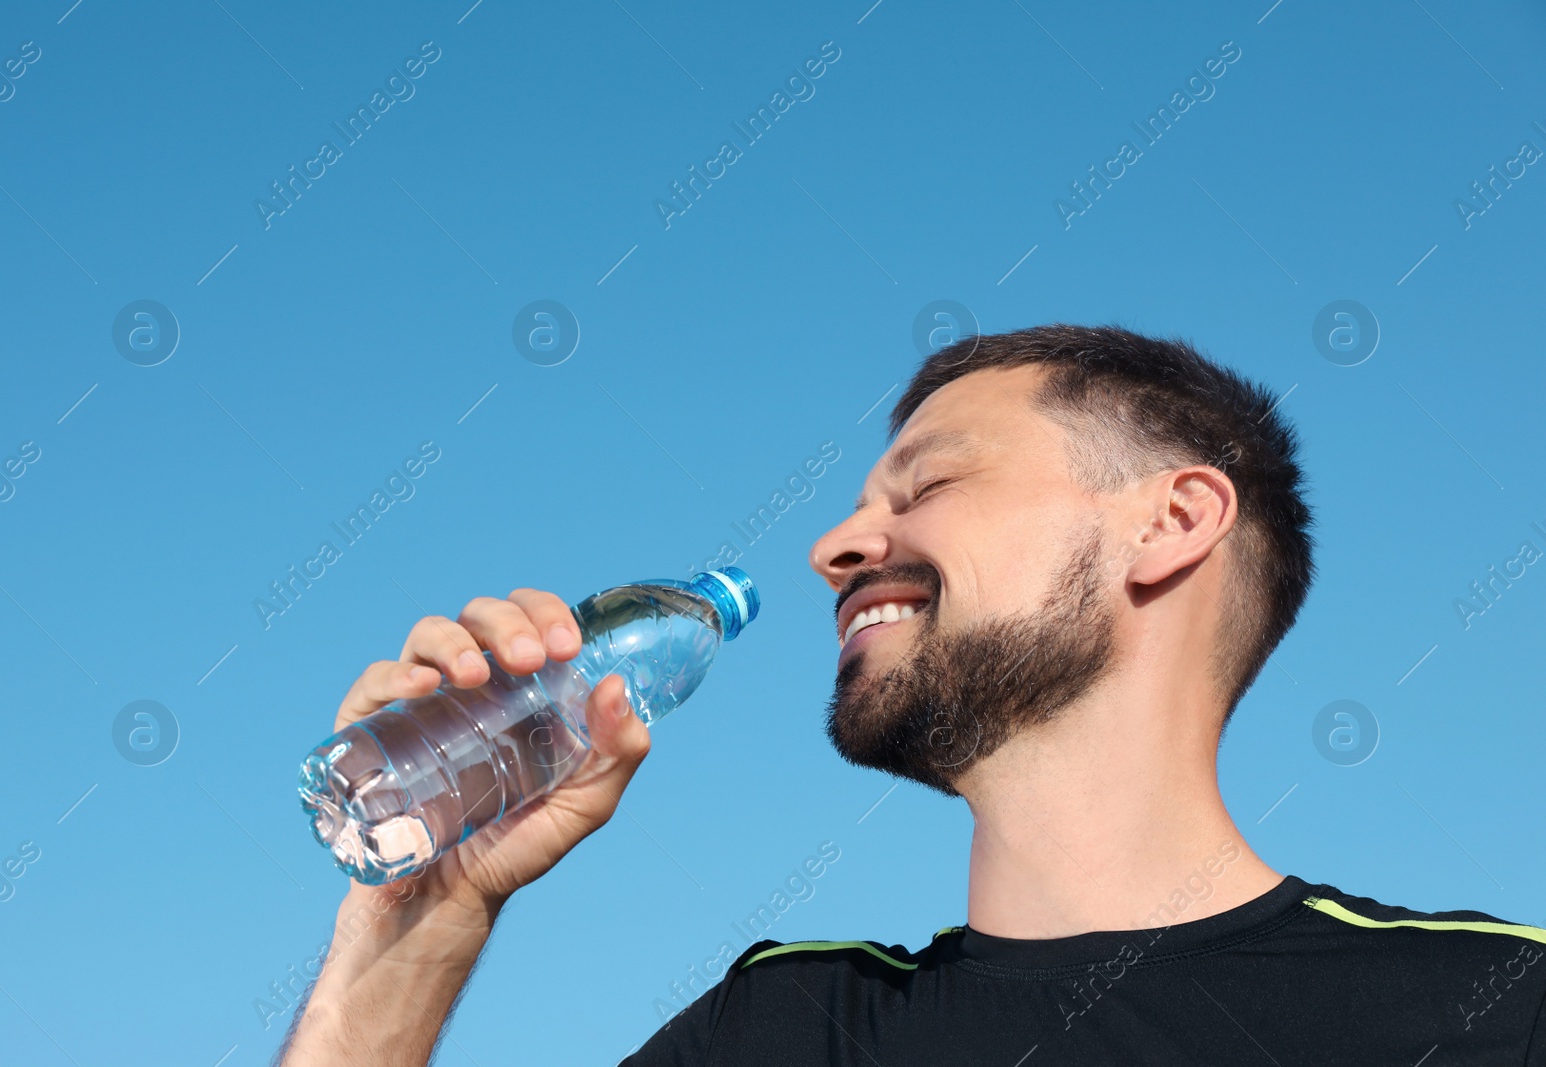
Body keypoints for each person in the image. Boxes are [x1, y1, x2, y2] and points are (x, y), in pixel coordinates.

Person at [278, 325, 1546, 1065]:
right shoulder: (787, 1030)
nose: (836, 542)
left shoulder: (1487, 1010)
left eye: (923, 484)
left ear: (1171, 521)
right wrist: (413, 929)